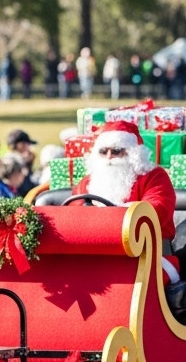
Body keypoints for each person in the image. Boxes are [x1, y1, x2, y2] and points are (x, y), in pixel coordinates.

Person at [71, 120, 178, 280]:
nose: (109, 157)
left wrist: (111, 216)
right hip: (95, 252)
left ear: (132, 152)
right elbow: (73, 213)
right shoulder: (88, 182)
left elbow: (157, 209)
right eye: (103, 151)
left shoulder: (154, 176)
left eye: (116, 151)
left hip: (148, 251)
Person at [6, 128, 38, 195]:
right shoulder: (15, 160)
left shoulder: (9, 157)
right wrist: (26, 162)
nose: (29, 147)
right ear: (20, 145)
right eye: (28, 144)